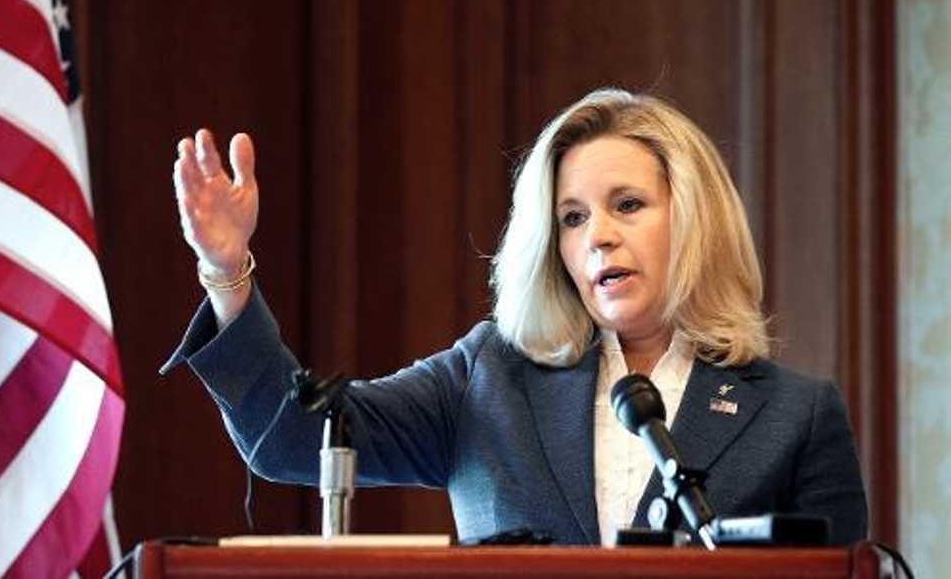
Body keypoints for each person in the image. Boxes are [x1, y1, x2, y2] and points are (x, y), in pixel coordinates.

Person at [162, 88, 868, 546]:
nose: (597, 236)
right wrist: (227, 270)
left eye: (627, 205)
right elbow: (293, 439)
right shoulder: (490, 378)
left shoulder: (796, 417)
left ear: (694, 219)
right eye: (572, 217)